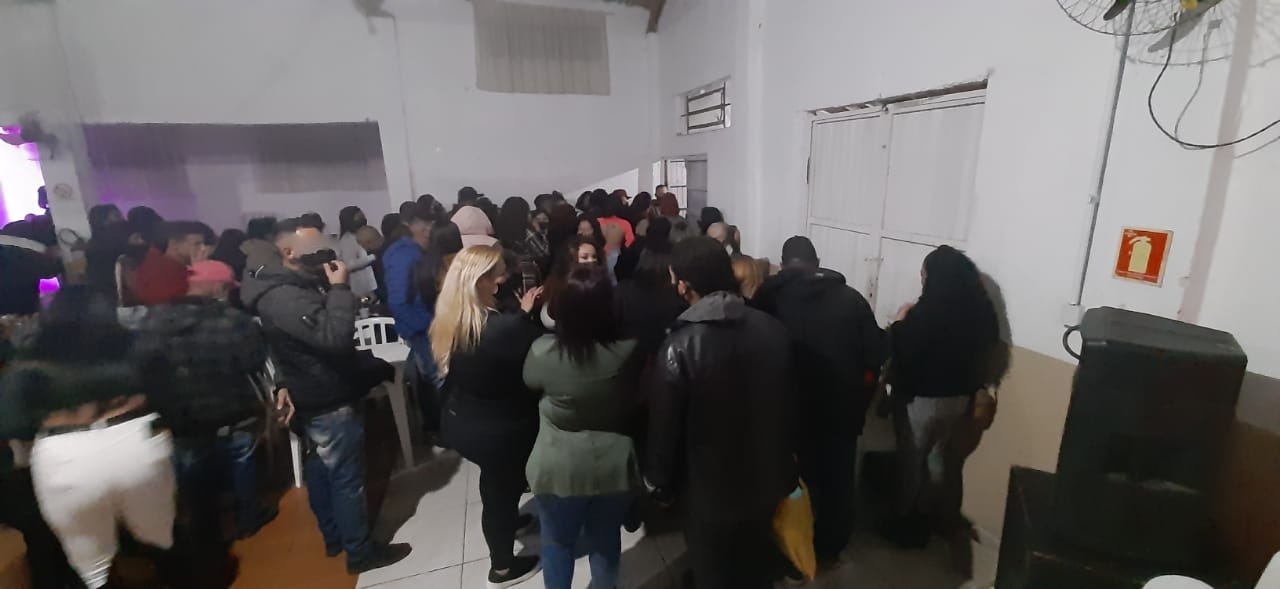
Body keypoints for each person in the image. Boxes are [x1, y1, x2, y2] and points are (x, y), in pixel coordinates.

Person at [241, 219, 410, 574]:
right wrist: (339, 288)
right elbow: (335, 337)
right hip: (326, 394)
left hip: (311, 388)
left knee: (321, 469)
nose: (323, 251)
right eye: (313, 246)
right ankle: (359, 552)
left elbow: (285, 345)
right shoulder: (285, 296)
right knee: (345, 478)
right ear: (289, 252)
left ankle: (335, 538)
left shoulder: (287, 285)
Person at [0, 287, 176, 588]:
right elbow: (170, 396)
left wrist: (53, 415)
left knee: (91, 562)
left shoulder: (30, 358)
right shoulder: (138, 344)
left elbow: (12, 423)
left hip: (65, 453)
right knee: (157, 539)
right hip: (136, 440)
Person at [648, 237, 797, 589]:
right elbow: (790, 406)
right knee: (754, 564)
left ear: (684, 285)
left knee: (712, 569)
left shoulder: (679, 346)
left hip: (708, 490)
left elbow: (665, 427)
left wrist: (660, 485)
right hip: (766, 478)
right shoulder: (773, 329)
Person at [131, 259, 277, 588]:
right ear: (214, 286)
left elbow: (142, 370)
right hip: (233, 409)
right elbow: (254, 360)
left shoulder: (151, 323)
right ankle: (248, 517)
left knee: (193, 483)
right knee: (243, 464)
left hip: (181, 419)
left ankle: (204, 535)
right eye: (224, 286)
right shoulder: (232, 320)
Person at [752, 236, 885, 566]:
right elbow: (876, 355)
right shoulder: (851, 299)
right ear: (818, 262)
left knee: (790, 480)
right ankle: (831, 545)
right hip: (840, 410)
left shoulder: (767, 299)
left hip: (786, 411)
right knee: (838, 480)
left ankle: (792, 548)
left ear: (783, 265)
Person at [431, 245, 544, 588]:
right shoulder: (500, 328)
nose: (504, 278)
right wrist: (526, 318)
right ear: (482, 282)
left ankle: (508, 524)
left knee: (497, 485)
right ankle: (503, 568)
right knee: (499, 493)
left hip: (464, 419)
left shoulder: (453, 318)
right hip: (498, 429)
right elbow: (539, 350)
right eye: (498, 274)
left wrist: (520, 315)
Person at [524, 265, 640, 589]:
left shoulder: (542, 352)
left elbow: (530, 381)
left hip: (557, 464)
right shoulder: (628, 350)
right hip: (614, 464)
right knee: (605, 540)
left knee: (557, 542)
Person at [882, 245, 999, 560]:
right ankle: (929, 517)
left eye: (924, 274)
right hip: (959, 399)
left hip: (922, 400)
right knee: (937, 458)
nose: (922, 279)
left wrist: (899, 322)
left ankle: (906, 527)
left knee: (911, 461)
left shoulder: (925, 313)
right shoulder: (980, 311)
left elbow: (905, 352)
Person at [384, 205, 439, 390]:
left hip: (425, 326)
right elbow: (398, 301)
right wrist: (426, 325)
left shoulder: (413, 252)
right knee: (436, 380)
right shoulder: (403, 255)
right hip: (423, 329)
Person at [134, 221, 213, 305]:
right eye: (197, 244)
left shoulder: (178, 266)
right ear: (174, 244)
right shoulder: (158, 270)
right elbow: (186, 303)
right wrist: (199, 271)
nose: (203, 249)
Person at [0, 222, 62, 315]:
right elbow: (51, 269)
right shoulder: (15, 238)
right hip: (24, 314)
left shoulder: (15, 238)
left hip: (20, 313)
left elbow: (50, 269)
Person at [337, 206, 379, 298]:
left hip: (373, 283)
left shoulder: (363, 233)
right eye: (359, 217)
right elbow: (349, 265)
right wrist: (373, 257)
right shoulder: (347, 239)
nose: (364, 219)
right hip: (360, 287)